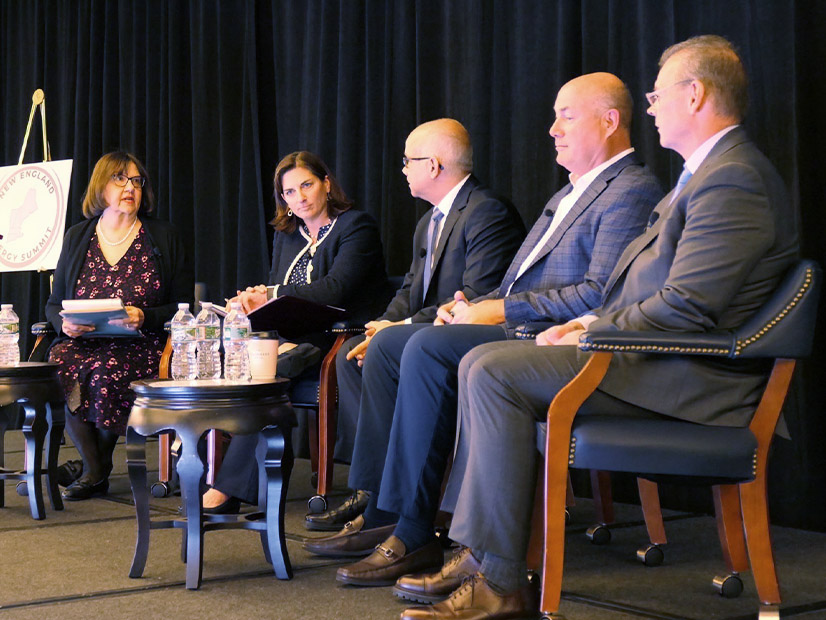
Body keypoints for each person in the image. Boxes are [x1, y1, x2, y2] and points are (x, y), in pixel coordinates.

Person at [400, 35, 799, 620]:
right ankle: (485, 558)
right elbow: (656, 292)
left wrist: (591, 331)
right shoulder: (706, 174)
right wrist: (588, 321)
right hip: (651, 357)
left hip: (691, 378)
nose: (651, 107)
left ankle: (499, 580)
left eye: (657, 95)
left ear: (695, 95)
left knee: (491, 369)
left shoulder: (731, 178)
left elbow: (686, 305)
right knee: (482, 362)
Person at [308, 73, 665, 589]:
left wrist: (497, 311)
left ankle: (414, 531)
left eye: (566, 116)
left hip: (551, 339)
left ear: (609, 122)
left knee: (426, 348)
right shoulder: (568, 194)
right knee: (387, 345)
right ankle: (385, 510)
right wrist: (467, 307)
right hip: (519, 326)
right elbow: (511, 283)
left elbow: (599, 294)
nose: (552, 129)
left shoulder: (629, 189)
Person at [304, 118, 525, 531]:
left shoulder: (486, 211)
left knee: (384, 347)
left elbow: (477, 295)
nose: (403, 170)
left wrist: (399, 326)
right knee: (353, 355)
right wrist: (381, 324)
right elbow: (409, 290)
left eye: (408, 161)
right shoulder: (429, 222)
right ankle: (373, 491)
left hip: (466, 337)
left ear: (434, 165)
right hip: (422, 331)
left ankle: (386, 504)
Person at [201, 150, 393, 513]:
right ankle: (237, 473)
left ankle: (231, 485)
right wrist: (252, 304)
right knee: (238, 355)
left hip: (339, 335)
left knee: (268, 369)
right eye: (290, 192)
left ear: (326, 184)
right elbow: (281, 293)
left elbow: (335, 289)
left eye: (307, 185)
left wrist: (270, 294)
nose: (300, 197)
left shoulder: (356, 227)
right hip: (292, 334)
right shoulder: (288, 235)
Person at [46, 151, 192, 501]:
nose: (130, 188)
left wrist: (145, 316)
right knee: (61, 362)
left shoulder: (163, 236)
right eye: (120, 179)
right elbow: (53, 305)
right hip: (84, 342)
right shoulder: (77, 237)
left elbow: (184, 307)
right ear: (101, 186)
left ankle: (93, 470)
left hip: (144, 343)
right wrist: (65, 327)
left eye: (136, 181)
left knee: (105, 369)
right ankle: (95, 466)